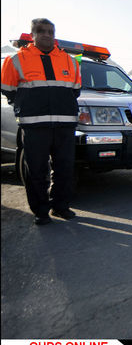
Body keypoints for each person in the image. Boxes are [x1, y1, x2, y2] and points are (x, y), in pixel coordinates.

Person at [1, 18, 81, 225]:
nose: (47, 34)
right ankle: (41, 211)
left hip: (65, 125)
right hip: (34, 125)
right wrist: (26, 103)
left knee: (64, 168)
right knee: (36, 170)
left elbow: (75, 90)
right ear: (32, 35)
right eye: (41, 31)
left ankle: (61, 207)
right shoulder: (16, 60)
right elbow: (7, 89)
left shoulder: (70, 61)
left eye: (50, 31)